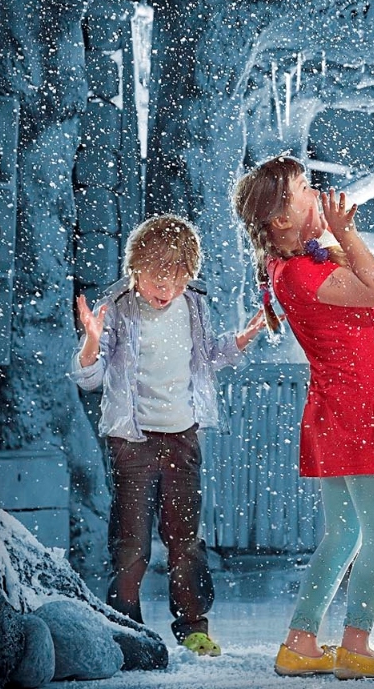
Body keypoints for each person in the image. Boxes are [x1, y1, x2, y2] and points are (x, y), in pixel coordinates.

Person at [233, 156, 374, 680]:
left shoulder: (301, 261)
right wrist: (346, 233)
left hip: (343, 407)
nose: (315, 192)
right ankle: (357, 646)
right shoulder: (299, 271)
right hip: (357, 409)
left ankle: (300, 642)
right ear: (280, 218)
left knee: (344, 532)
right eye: (302, 188)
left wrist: (332, 237)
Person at [70, 214, 268, 657]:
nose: (168, 291)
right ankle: (126, 628)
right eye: (160, 282)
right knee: (131, 544)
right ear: (136, 269)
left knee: (185, 540)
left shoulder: (193, 303)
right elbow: (90, 378)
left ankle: (194, 626)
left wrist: (242, 339)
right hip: (132, 440)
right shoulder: (117, 307)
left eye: (178, 282)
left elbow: (206, 356)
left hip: (182, 436)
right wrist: (92, 341)